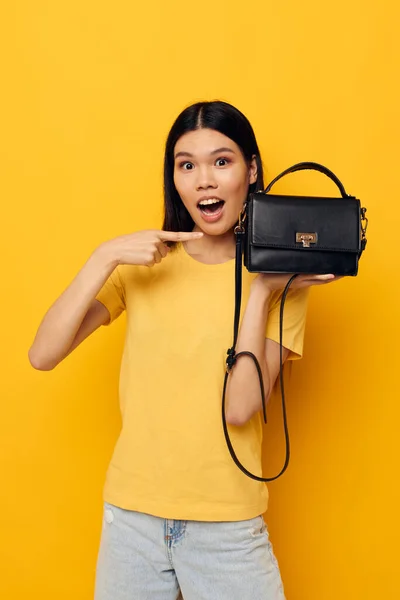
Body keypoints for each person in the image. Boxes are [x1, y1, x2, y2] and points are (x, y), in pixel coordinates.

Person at [29, 100, 338, 600]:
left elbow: (240, 408)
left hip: (226, 530)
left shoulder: (284, 283)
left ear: (251, 169)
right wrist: (103, 256)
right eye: (186, 165)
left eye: (222, 161)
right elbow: (42, 354)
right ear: (174, 178)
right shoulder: (142, 266)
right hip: (132, 524)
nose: (204, 181)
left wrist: (259, 291)